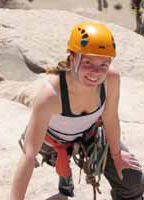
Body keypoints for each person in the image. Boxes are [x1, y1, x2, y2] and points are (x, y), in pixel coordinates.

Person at [10, 22, 144, 200]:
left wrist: (117, 156)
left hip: (91, 135)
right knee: (53, 150)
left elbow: (110, 117)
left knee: (133, 182)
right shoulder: (50, 95)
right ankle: (63, 172)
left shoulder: (111, 79)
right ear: (73, 59)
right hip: (50, 141)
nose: (96, 72)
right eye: (88, 62)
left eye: (103, 64)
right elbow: (29, 155)